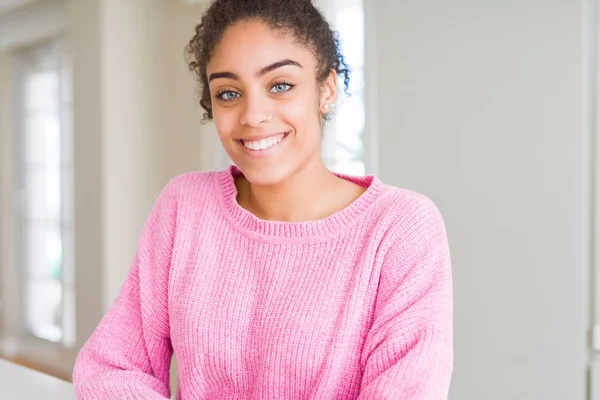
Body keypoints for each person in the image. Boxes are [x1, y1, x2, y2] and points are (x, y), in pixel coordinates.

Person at [72, 0, 454, 399]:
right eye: (229, 92)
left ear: (327, 89)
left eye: (280, 85)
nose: (252, 115)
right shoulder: (184, 206)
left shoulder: (401, 228)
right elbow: (111, 368)